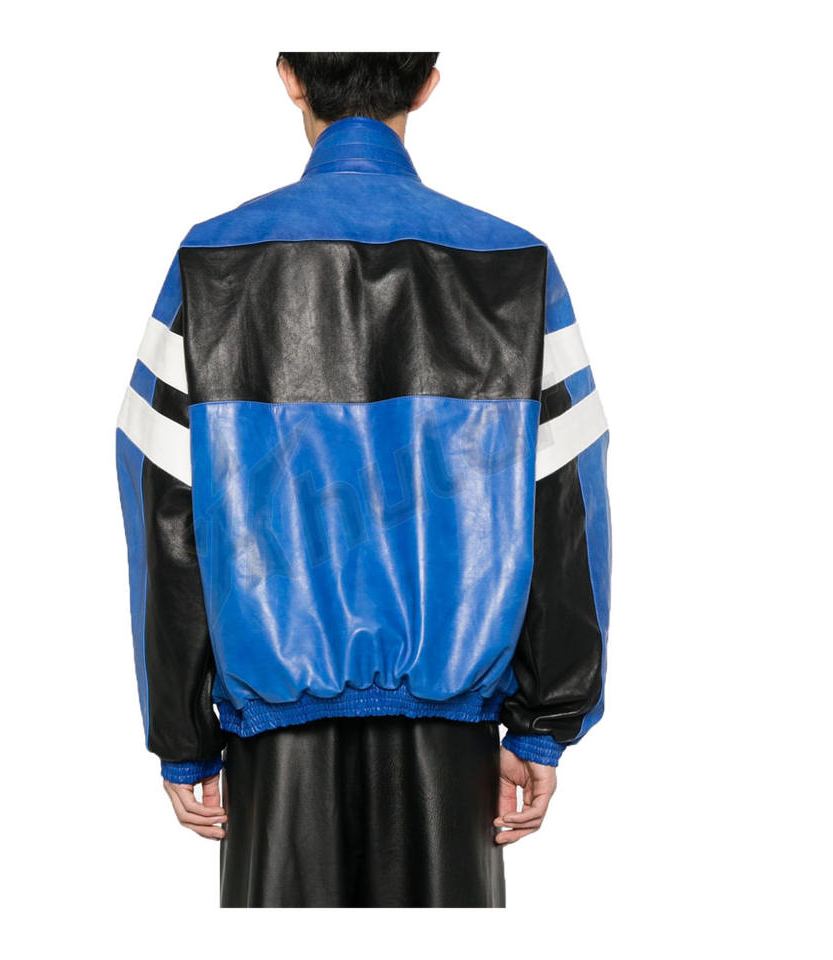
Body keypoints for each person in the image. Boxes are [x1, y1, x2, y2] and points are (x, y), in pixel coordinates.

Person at [115, 52, 611, 908]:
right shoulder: (515, 263)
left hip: (274, 750)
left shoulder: (212, 259)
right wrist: (542, 725)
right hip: (452, 749)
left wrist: (184, 735)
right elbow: (567, 501)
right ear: (427, 82)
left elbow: (163, 502)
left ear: (288, 76)